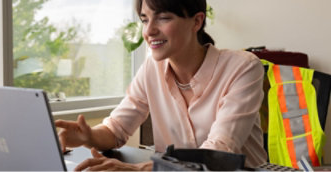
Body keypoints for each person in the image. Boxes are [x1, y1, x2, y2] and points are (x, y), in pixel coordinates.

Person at [55, 0, 267, 170]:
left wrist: (142, 169)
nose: (149, 31)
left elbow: (220, 151)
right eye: (145, 20)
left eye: (163, 18)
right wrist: (89, 136)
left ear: (197, 22)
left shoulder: (243, 67)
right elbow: (117, 128)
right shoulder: (151, 69)